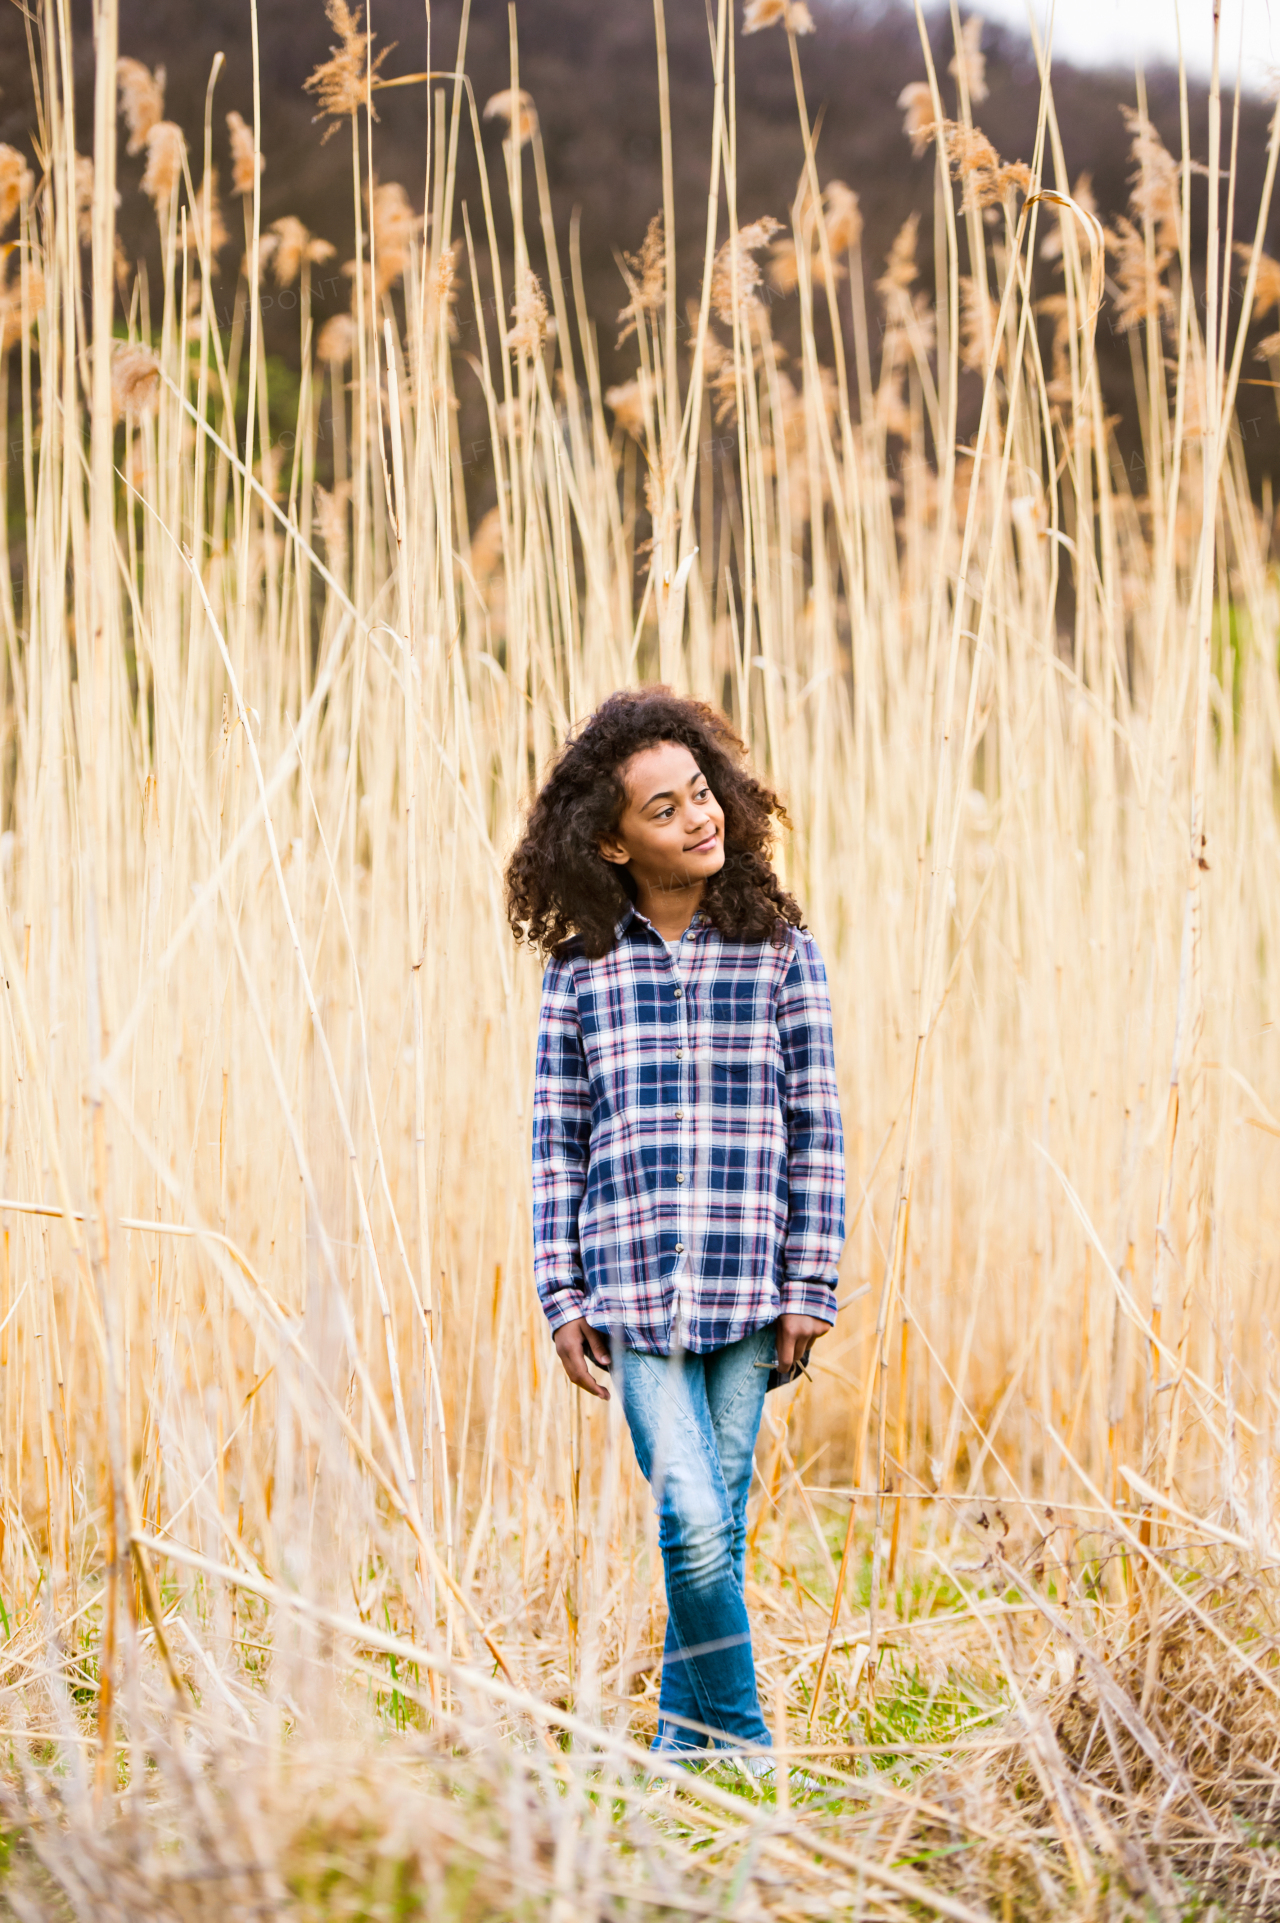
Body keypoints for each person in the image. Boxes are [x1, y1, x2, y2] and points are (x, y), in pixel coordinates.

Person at [505, 687, 845, 1770]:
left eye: (703, 794)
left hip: (752, 1288)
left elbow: (818, 1127)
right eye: (665, 809)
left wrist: (811, 1284)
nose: (700, 818)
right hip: (633, 1295)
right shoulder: (580, 972)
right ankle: (740, 1742)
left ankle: (675, 1743)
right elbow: (555, 1144)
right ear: (611, 839)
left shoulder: (780, 951)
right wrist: (561, 1298)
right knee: (694, 1516)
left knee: (715, 1527)